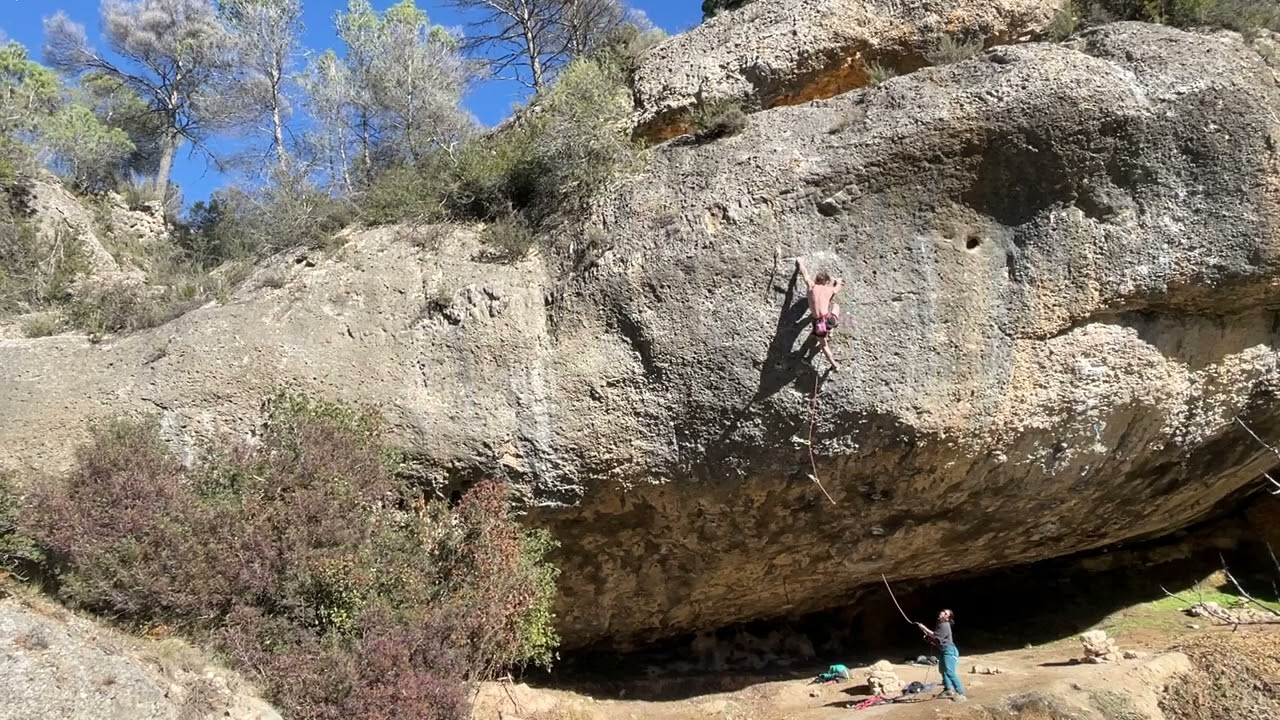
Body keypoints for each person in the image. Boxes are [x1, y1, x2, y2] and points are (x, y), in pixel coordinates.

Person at [795, 257, 843, 371]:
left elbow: (805, 274)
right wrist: (839, 281)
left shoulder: (811, 286)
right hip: (829, 320)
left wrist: (800, 262)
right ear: (825, 282)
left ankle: (835, 365)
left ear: (816, 280)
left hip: (819, 324)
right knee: (836, 307)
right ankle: (831, 331)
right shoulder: (828, 289)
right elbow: (837, 287)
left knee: (824, 345)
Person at [916, 609, 966, 702]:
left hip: (949, 651)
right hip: (944, 651)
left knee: (950, 672)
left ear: (947, 618)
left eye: (945, 613)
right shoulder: (940, 625)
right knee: (943, 670)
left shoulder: (945, 625)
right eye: (943, 611)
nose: (942, 613)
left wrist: (924, 628)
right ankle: (948, 690)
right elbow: (936, 640)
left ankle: (960, 692)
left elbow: (935, 637)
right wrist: (926, 634)